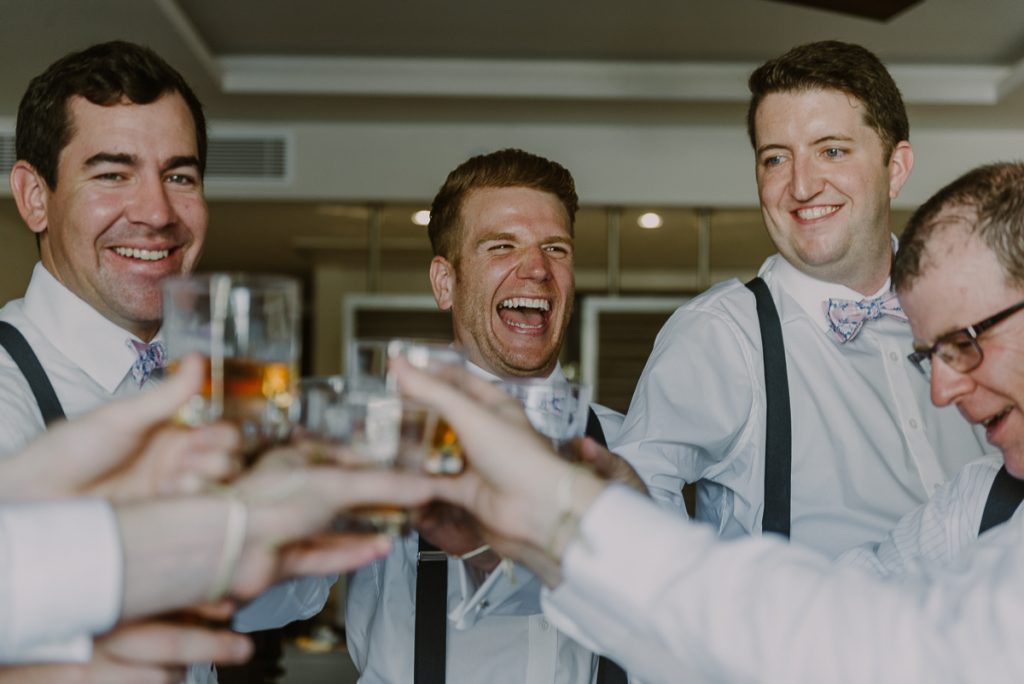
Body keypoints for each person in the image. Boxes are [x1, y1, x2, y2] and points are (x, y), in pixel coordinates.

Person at [392, 161, 1024, 680]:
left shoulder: (614, 441)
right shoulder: (976, 502)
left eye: (964, 342)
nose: (939, 391)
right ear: (444, 281)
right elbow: (818, 618)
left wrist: (577, 519)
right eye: (930, 354)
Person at [0, 40, 324, 682]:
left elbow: (274, 603)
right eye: (112, 173)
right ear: (35, 196)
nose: (157, 213)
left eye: (179, 176)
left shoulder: (208, 382)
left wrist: (300, 507)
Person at [612, 40, 988, 557]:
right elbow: (629, 512)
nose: (802, 185)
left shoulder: (976, 314)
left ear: (895, 168)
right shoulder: (723, 334)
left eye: (831, 150)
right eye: (775, 159)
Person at [345, 148, 628, 683]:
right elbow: (287, 606)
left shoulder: (627, 445)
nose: (537, 269)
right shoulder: (380, 440)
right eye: (502, 246)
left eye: (555, 248)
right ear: (445, 283)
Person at [0, 354, 434, 676]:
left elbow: (283, 604)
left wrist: (273, 541)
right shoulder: (10, 380)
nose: (154, 223)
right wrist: (228, 530)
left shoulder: (205, 369)